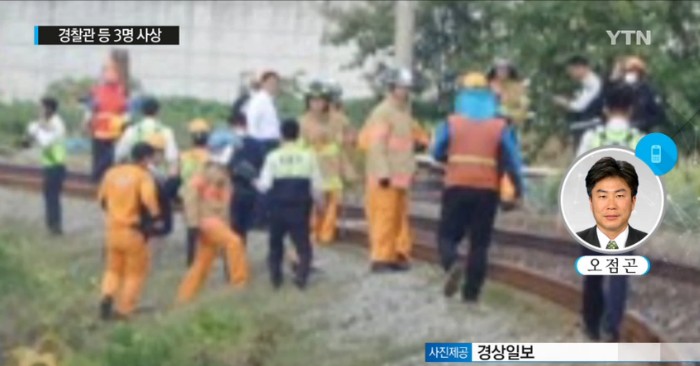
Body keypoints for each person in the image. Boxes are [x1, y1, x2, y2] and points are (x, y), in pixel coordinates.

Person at [432, 72, 525, 304]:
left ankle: (452, 262)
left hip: (456, 185)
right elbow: (513, 160)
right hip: (487, 189)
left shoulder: (452, 122)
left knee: (446, 236)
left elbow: (436, 151)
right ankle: (471, 294)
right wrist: (520, 189)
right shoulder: (499, 125)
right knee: (480, 243)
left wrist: (451, 156)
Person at [359, 67, 426, 273]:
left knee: (398, 218)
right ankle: (380, 258)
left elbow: (416, 135)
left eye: (407, 88)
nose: (405, 91)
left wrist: (423, 142)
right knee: (384, 217)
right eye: (401, 88)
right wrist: (382, 174)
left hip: (400, 175)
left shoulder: (402, 112)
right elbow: (377, 146)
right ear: (391, 88)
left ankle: (397, 254)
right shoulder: (384, 112)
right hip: (385, 177)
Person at [577, 156, 647, 341]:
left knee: (593, 272)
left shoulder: (592, 136)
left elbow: (577, 178)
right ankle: (611, 328)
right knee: (618, 273)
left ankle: (591, 325)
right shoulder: (635, 139)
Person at [176, 141, 249, 304]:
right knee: (235, 243)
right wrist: (193, 223)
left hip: (212, 221)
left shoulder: (216, 174)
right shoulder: (212, 174)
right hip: (210, 220)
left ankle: (184, 298)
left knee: (202, 263)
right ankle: (239, 283)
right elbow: (191, 195)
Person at [256, 119, 324, 289]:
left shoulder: (273, 157)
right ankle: (301, 276)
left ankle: (276, 278)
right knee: (303, 245)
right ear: (298, 134)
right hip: (300, 206)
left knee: (276, 244)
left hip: (277, 205)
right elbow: (316, 185)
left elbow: (264, 185)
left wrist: (253, 182)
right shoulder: (308, 156)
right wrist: (320, 205)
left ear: (281, 135)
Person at [97, 142, 162, 320]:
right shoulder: (142, 176)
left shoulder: (111, 173)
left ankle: (107, 295)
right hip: (132, 232)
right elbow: (148, 199)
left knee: (112, 270)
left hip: (112, 232)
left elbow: (102, 200)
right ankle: (124, 309)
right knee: (135, 273)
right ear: (146, 158)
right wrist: (156, 218)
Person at [300, 81, 348, 245]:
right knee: (315, 203)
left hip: (333, 167)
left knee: (335, 201)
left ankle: (327, 234)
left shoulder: (338, 120)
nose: (317, 104)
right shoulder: (303, 122)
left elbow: (345, 143)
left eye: (320, 100)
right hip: (313, 168)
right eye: (313, 100)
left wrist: (347, 168)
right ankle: (314, 232)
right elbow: (301, 146)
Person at [24, 97, 67, 235]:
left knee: (53, 197)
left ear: (49, 109)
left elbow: (45, 142)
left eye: (41, 107)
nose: (39, 110)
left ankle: (56, 228)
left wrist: (36, 131)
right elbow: (33, 132)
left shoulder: (57, 124)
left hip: (56, 165)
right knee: (49, 196)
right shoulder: (46, 122)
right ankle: (51, 226)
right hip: (50, 164)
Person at [86, 60, 128, 182]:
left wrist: (88, 123)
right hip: (109, 130)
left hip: (106, 130)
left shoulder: (100, 91)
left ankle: (97, 177)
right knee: (107, 156)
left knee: (103, 156)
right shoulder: (119, 91)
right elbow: (125, 110)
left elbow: (91, 108)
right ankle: (100, 177)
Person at [114, 96, 179, 176]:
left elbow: (120, 154)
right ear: (158, 112)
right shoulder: (166, 131)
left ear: (142, 111)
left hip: (134, 173)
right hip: (156, 174)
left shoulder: (131, 130)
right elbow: (172, 157)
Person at [553, 55, 604, 153]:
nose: (571, 74)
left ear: (581, 68)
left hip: (588, 128)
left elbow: (579, 106)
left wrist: (563, 102)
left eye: (572, 71)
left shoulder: (592, 83)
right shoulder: (583, 84)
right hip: (581, 127)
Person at [577, 84, 645, 157]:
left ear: (605, 110)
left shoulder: (590, 137)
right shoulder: (642, 141)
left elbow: (579, 167)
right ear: (631, 110)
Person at [228, 112, 264, 244]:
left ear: (231, 126)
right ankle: (240, 256)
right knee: (242, 228)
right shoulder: (256, 144)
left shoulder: (228, 143)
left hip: (231, 188)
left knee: (231, 225)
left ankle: (231, 260)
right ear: (246, 125)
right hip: (250, 189)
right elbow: (261, 166)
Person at [179, 118, 212, 266]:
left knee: (191, 228)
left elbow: (176, 174)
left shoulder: (184, 155)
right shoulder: (211, 156)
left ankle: (191, 260)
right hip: (206, 194)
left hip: (188, 193)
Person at [621, 56, 667, 134]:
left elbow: (659, 116)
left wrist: (641, 124)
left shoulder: (649, 92)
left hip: (643, 133)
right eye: (628, 71)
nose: (630, 74)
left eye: (633, 71)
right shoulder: (620, 90)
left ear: (640, 73)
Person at [245, 70, 282, 157]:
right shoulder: (258, 100)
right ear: (263, 83)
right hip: (263, 143)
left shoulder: (271, 101)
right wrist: (256, 144)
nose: (273, 86)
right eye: (270, 83)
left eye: (276, 83)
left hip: (273, 142)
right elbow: (252, 122)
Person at [487, 58, 530, 126]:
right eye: (499, 68)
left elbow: (523, 105)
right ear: (495, 70)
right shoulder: (488, 85)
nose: (502, 71)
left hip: (508, 122)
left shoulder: (516, 86)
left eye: (505, 69)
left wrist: (512, 115)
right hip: (489, 122)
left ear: (510, 71)